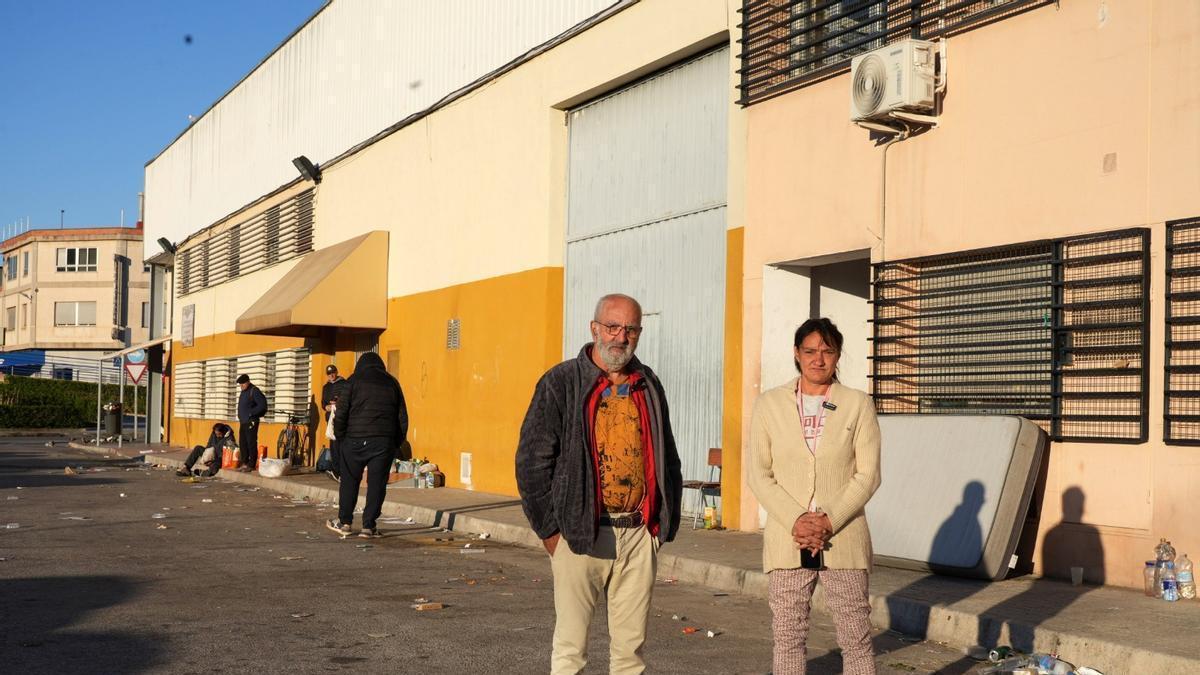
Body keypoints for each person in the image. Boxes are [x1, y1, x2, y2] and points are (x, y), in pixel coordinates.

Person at [515, 293, 682, 675]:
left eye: (630, 329)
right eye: (612, 327)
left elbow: (667, 453)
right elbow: (531, 462)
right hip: (581, 533)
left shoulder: (647, 382)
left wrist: (661, 526)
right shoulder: (561, 382)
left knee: (630, 654)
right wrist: (550, 531)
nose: (620, 337)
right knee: (571, 651)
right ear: (594, 328)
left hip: (639, 534)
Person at [747, 317, 882, 675]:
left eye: (827, 351)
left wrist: (828, 520)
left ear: (838, 355)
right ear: (796, 353)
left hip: (844, 539)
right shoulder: (769, 404)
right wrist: (798, 520)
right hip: (786, 538)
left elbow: (868, 475)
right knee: (788, 636)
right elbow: (759, 474)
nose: (818, 360)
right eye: (809, 351)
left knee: (856, 637)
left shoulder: (857, 404)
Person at [326, 351, 408, 539]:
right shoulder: (392, 382)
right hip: (382, 441)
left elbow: (341, 412)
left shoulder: (352, 381)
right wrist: (395, 443)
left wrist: (341, 437)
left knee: (349, 481)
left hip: (353, 440)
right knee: (377, 484)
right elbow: (402, 417)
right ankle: (368, 526)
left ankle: (345, 522)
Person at [236, 373, 268, 472]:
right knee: (243, 443)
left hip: (251, 421)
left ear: (248, 382)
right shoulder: (244, 391)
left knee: (251, 443)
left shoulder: (254, 391)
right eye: (240, 385)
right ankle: (244, 462)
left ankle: (251, 464)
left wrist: (251, 413)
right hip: (243, 421)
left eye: (243, 384)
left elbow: (262, 405)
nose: (241, 386)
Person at [321, 364, 347, 479]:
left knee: (340, 443)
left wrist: (337, 404)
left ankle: (342, 470)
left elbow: (346, 399)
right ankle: (335, 470)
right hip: (329, 419)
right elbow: (323, 402)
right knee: (333, 443)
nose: (331, 375)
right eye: (329, 373)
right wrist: (325, 406)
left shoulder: (344, 384)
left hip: (340, 417)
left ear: (336, 372)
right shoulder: (326, 387)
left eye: (333, 373)